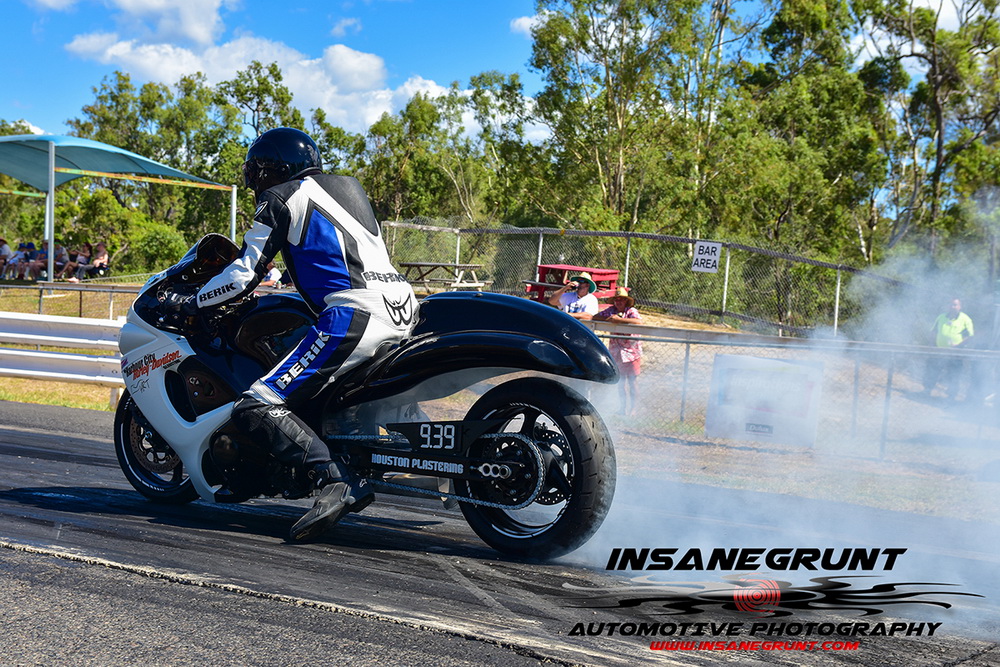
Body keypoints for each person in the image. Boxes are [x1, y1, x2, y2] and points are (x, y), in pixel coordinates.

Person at [177, 127, 416, 542]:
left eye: (255, 173)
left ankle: (335, 480)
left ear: (269, 168)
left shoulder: (281, 197)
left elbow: (244, 274)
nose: (254, 183)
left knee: (256, 403)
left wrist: (196, 301)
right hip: (403, 306)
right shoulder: (348, 188)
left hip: (356, 313)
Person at [594, 287, 643, 415]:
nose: (618, 302)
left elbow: (638, 322)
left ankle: (633, 409)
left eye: (621, 299)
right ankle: (622, 408)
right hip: (617, 352)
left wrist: (619, 321)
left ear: (626, 301)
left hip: (631, 352)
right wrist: (610, 318)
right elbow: (595, 317)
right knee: (621, 383)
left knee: (632, 382)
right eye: (616, 299)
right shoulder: (612, 311)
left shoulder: (631, 311)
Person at [922, 297, 974, 400]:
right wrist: (932, 345)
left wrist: (958, 345)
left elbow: (970, 336)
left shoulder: (965, 319)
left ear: (960, 306)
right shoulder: (941, 317)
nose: (953, 307)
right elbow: (933, 332)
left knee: (954, 374)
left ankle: (951, 396)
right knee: (932, 370)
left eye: (955, 305)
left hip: (956, 353)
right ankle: (927, 390)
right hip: (939, 351)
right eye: (951, 304)